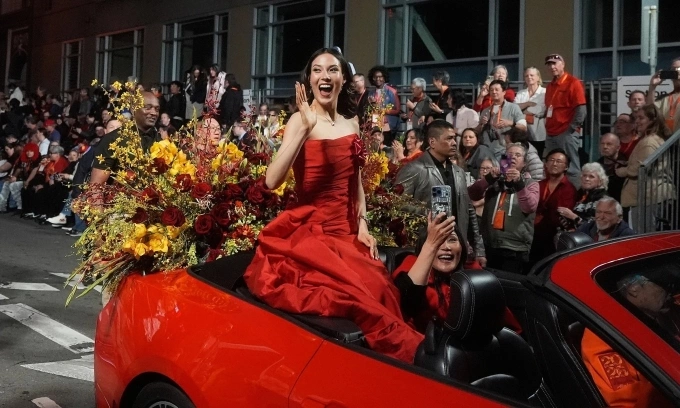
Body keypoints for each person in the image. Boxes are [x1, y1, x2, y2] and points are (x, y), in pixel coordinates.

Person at [243, 48, 424, 363]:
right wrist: (302, 130)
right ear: (309, 79)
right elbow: (272, 181)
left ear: (343, 79)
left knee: (381, 288)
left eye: (332, 70)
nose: (324, 76)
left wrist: (364, 224)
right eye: (316, 70)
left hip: (348, 232)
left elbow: (355, 182)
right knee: (360, 296)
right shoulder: (300, 120)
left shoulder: (351, 122)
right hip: (314, 233)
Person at [391, 218, 523, 334]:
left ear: (462, 247)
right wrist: (431, 245)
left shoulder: (474, 276)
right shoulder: (412, 267)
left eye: (452, 240)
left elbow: (506, 327)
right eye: (439, 240)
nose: (446, 247)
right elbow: (407, 305)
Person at [396, 120, 486, 267]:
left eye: (455, 138)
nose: (454, 143)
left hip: (456, 249)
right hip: (424, 248)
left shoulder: (459, 172)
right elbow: (396, 204)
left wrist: (479, 249)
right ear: (432, 142)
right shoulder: (414, 169)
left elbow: (469, 210)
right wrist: (430, 213)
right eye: (449, 138)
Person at [468, 143, 539, 274]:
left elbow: (529, 207)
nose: (512, 157)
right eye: (509, 154)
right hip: (490, 245)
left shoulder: (531, 184)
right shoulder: (494, 181)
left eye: (518, 155)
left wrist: (519, 183)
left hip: (515, 249)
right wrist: (489, 178)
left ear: (524, 163)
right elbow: (472, 194)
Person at [616, 104, 675, 230]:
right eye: (636, 118)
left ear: (652, 120)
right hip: (652, 198)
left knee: (644, 241)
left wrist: (620, 171)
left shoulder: (649, 142)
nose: (637, 121)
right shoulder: (653, 139)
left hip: (649, 199)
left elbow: (639, 169)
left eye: (641, 118)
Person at [90, 92, 161, 185]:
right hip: (119, 197)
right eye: (148, 107)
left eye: (157, 109)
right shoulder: (113, 139)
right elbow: (96, 186)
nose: (153, 113)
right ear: (133, 109)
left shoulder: (161, 141)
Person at [544, 54, 587, 188]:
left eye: (555, 63)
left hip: (565, 132)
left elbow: (581, 110)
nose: (552, 67)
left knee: (571, 168)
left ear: (563, 64)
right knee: (551, 167)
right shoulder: (550, 86)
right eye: (550, 64)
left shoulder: (573, 83)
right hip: (551, 132)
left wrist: (571, 129)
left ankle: (575, 197)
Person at [531, 148, 577, 264]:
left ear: (566, 167)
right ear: (546, 164)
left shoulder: (569, 189)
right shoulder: (538, 185)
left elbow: (562, 215)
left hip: (555, 237)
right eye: (551, 160)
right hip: (534, 235)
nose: (554, 163)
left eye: (559, 161)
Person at [476, 80, 526, 160]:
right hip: (489, 149)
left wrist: (511, 123)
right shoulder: (485, 111)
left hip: (507, 149)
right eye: (491, 90)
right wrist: (481, 124)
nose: (494, 92)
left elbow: (524, 127)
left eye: (496, 89)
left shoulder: (514, 107)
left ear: (504, 92)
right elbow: (477, 132)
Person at [557, 162, 609, 231]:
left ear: (600, 181)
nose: (587, 179)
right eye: (584, 175)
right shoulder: (580, 195)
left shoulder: (603, 199)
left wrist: (574, 217)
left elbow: (597, 227)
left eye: (591, 176)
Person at [514, 67, 547, 157]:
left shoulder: (544, 92)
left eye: (532, 75)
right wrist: (528, 103)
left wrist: (522, 110)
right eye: (526, 76)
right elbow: (514, 109)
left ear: (538, 77)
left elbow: (541, 110)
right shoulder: (521, 93)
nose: (529, 77)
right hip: (522, 133)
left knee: (536, 157)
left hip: (538, 133)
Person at [367, 65, 400, 144]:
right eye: (375, 77)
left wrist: (384, 110)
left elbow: (397, 110)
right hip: (375, 126)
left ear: (384, 77)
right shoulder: (371, 93)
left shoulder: (392, 91)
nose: (378, 79)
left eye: (380, 77)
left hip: (387, 126)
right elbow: (370, 110)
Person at [647, 57, 680, 132]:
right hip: (665, 142)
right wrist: (652, 87)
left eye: (679, 69)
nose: (676, 72)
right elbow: (649, 112)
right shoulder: (664, 98)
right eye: (673, 69)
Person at [597, 133, 627, 203]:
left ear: (618, 148)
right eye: (602, 144)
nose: (605, 147)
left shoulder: (625, 165)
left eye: (609, 144)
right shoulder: (596, 166)